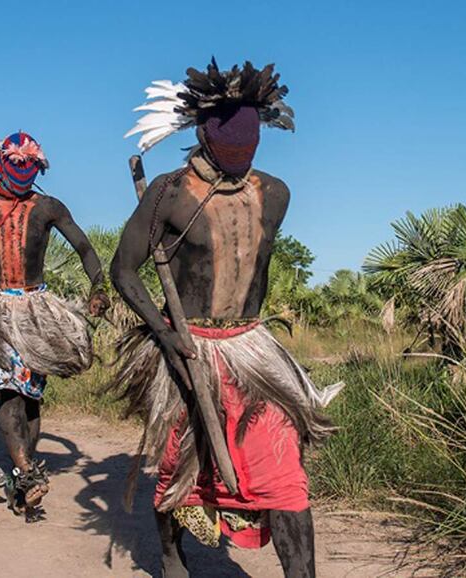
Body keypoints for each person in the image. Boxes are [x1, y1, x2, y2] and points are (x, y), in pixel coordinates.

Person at [109, 59, 343, 577]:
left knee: (282, 471)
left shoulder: (275, 194)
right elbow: (123, 270)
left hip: (253, 351)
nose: (240, 160)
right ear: (201, 134)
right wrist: (166, 335)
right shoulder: (168, 194)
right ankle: (171, 557)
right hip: (189, 347)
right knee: (183, 464)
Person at [0, 132, 108, 517]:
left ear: (39, 167)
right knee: (10, 390)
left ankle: (20, 472)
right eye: (16, 165)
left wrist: (99, 287)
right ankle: (29, 472)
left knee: (31, 397)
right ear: (1, 163)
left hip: (35, 310)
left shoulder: (48, 207)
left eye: (30, 167)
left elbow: (84, 248)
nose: (23, 173)